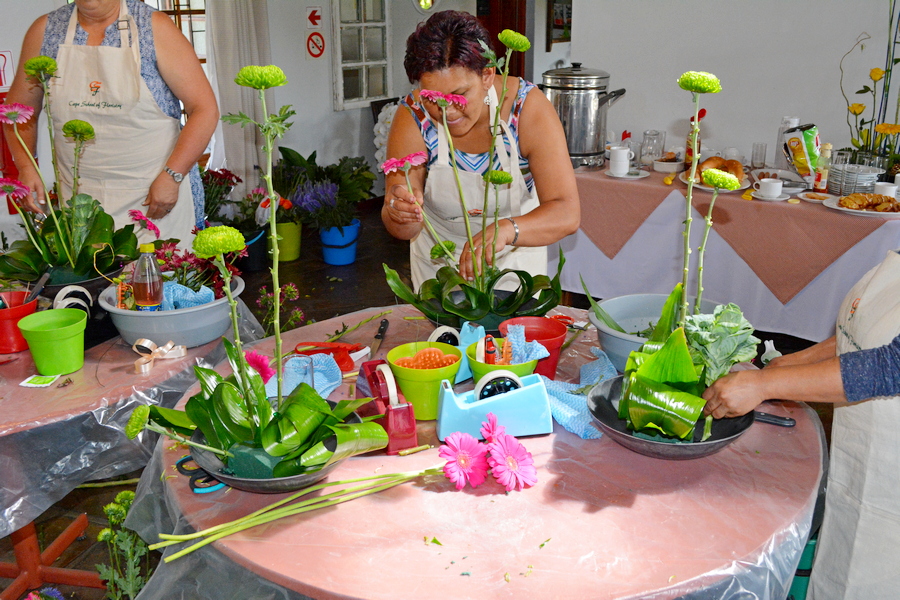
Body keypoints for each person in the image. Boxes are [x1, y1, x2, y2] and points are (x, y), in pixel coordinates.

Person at [702, 249, 900, 599]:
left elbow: (890, 366)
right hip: (865, 450)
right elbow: (864, 331)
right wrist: (794, 363)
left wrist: (764, 385)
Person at [382, 10, 579, 290]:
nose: (447, 111)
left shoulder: (526, 109)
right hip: (439, 275)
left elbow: (566, 213)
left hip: (513, 272)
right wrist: (399, 212)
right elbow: (402, 229)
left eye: (459, 95)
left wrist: (508, 229)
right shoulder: (413, 115)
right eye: (432, 97)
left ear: (487, 75)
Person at [3, 0, 218, 246]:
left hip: (156, 195)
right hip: (82, 202)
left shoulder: (153, 27)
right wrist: (26, 166)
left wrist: (172, 176)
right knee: (94, 279)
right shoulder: (47, 30)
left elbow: (204, 109)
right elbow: (18, 111)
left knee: (163, 279)